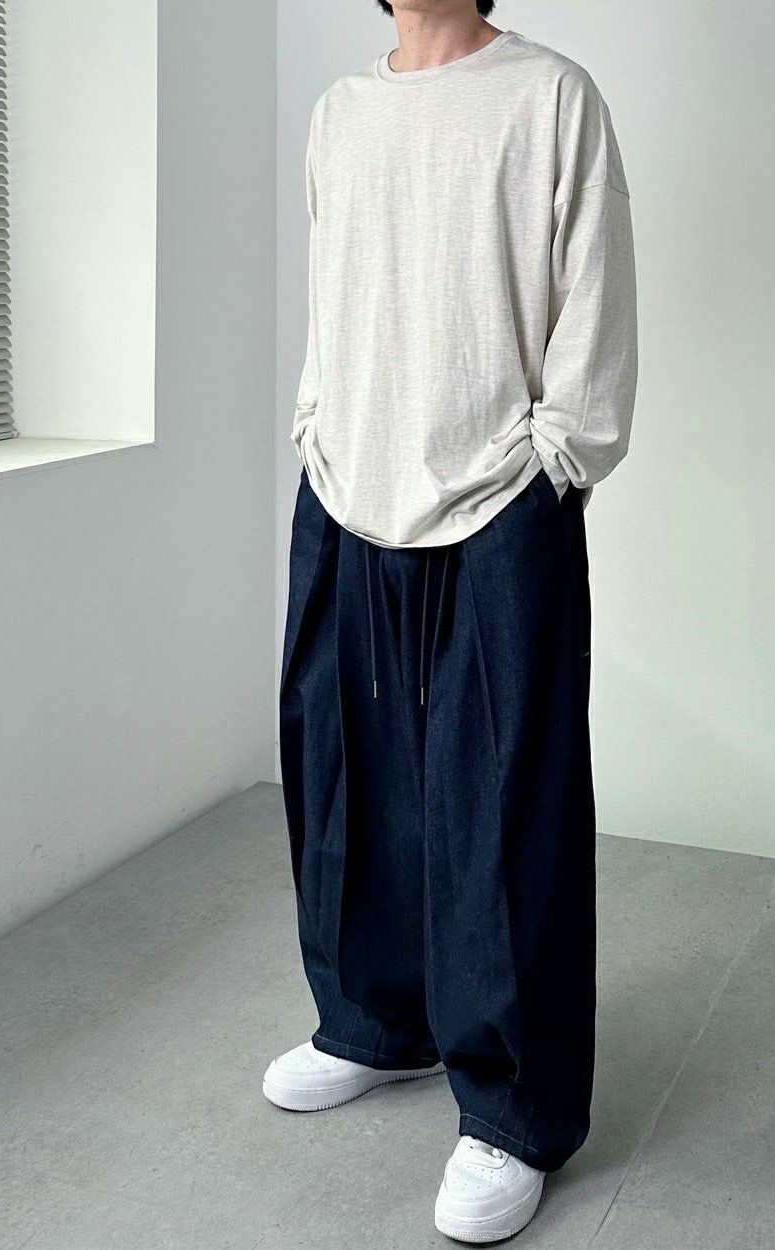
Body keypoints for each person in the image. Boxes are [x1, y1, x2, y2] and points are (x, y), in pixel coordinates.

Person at [266, 1, 637, 1241]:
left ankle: (514, 1111)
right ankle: (375, 1022)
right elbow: (335, 290)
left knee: (504, 797)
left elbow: (594, 292)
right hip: (347, 479)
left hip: (499, 490)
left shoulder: (550, 95)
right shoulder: (341, 112)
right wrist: (316, 424)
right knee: (344, 770)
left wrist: (558, 457)